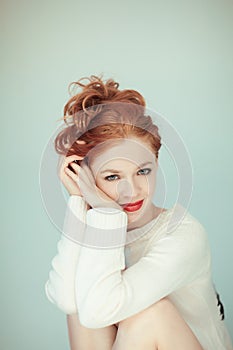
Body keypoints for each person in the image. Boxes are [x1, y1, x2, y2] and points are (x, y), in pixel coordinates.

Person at [45, 75, 233, 350]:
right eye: (111, 177)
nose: (130, 191)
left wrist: (107, 212)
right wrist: (78, 201)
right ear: (87, 178)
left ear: (156, 164)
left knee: (149, 315)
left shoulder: (183, 235)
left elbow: (100, 311)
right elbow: (67, 300)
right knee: (81, 292)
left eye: (142, 171)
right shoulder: (101, 224)